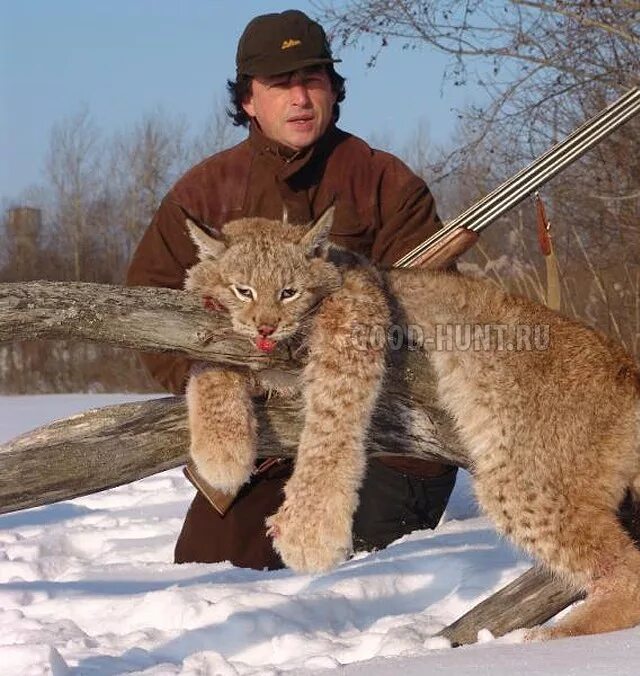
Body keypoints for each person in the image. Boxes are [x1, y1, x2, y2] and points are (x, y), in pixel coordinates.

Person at [126, 9, 457, 570]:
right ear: (249, 100)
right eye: (281, 84)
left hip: (378, 431)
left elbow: (434, 311)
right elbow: (147, 305)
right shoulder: (205, 190)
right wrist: (217, 379)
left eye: (313, 80)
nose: (300, 98)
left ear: (333, 90)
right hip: (266, 437)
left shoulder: (385, 181)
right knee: (208, 574)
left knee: (347, 583)